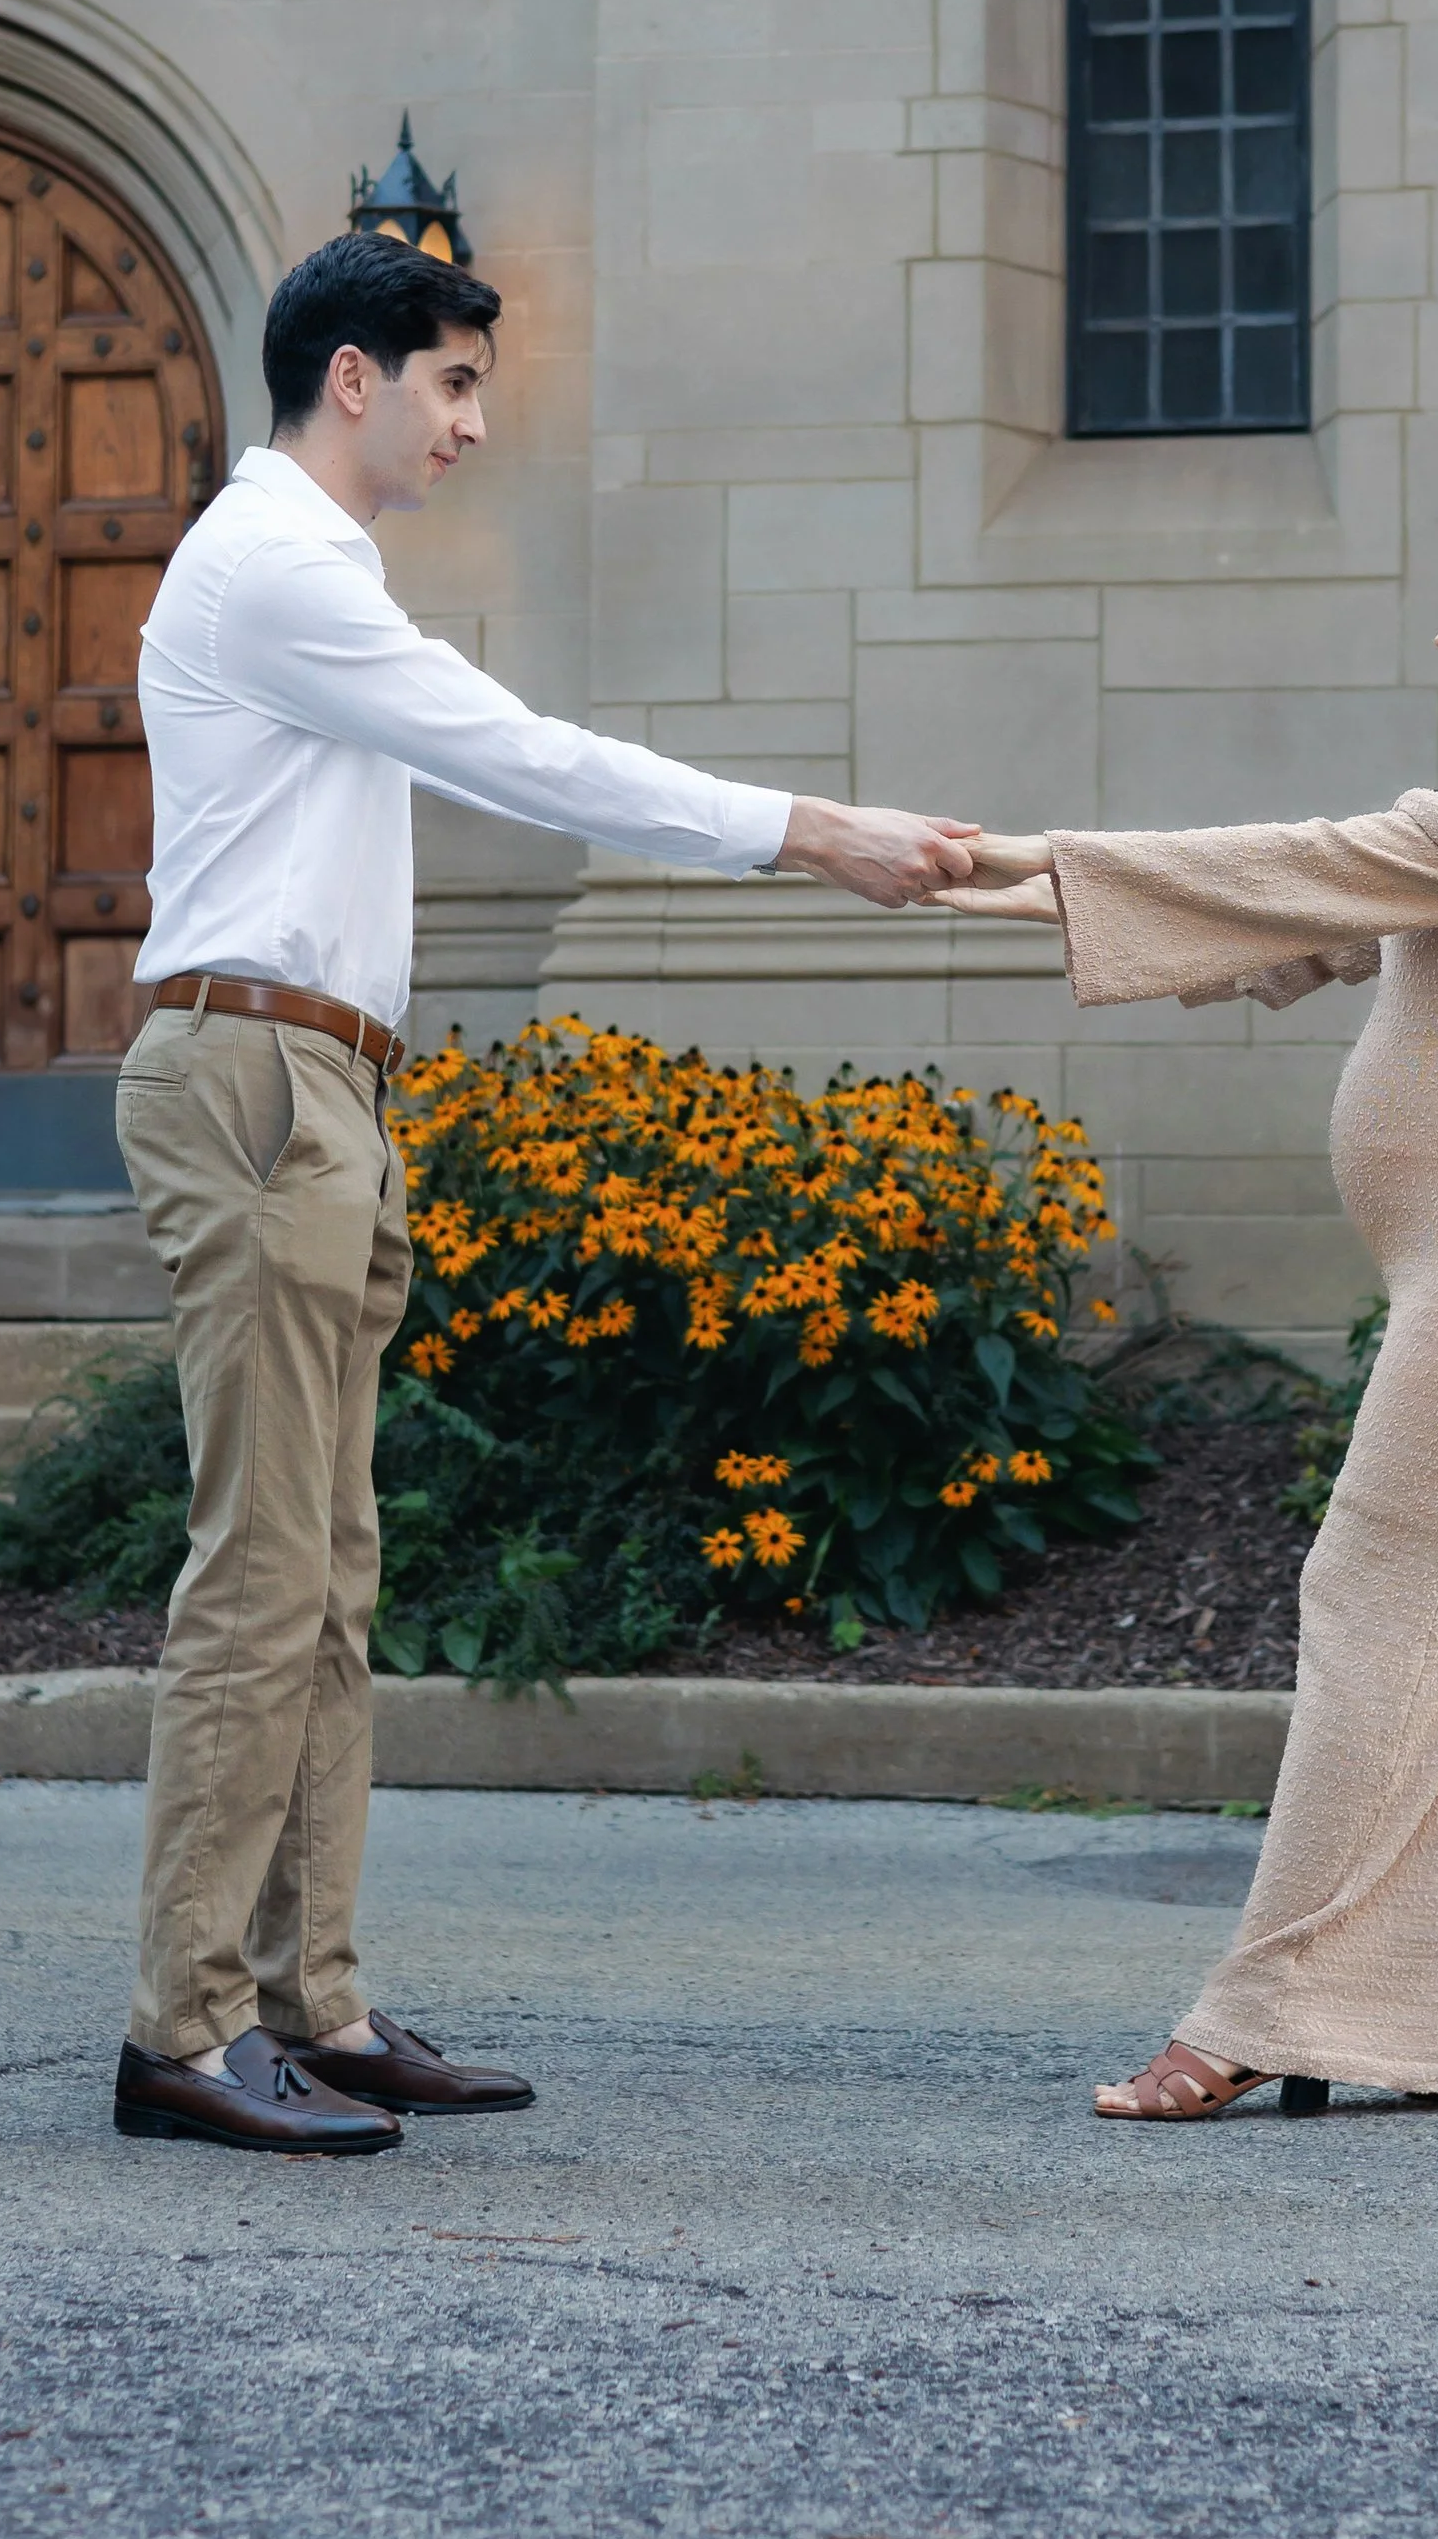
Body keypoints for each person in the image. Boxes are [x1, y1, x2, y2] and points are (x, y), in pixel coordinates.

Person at [110, 230, 980, 2156]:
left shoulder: (314, 568)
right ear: (355, 375)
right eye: (454, 383)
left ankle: (310, 2005)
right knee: (261, 1572)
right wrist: (804, 831)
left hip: (320, 1078)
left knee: (328, 1573)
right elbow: (520, 754)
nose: (476, 423)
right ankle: (181, 2029)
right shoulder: (271, 564)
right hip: (255, 1075)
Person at [939, 489, 1438, 2121]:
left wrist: (1043, 854)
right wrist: (972, 888)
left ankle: (1254, 2009)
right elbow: (1293, 926)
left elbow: (1307, 862)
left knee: (1370, 1601)